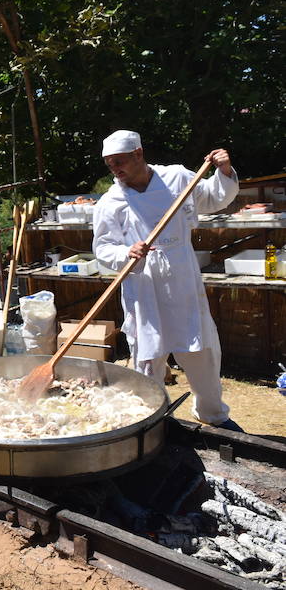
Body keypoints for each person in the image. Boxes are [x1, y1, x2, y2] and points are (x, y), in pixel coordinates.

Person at [92, 130, 242, 432]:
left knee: (200, 348)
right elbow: (103, 248)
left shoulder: (176, 178)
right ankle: (154, 420)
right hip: (143, 284)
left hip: (182, 278)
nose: (116, 169)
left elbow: (213, 199)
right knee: (148, 355)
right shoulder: (110, 202)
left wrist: (223, 171)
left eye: (120, 161)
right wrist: (126, 252)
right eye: (110, 165)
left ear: (139, 154)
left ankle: (213, 414)